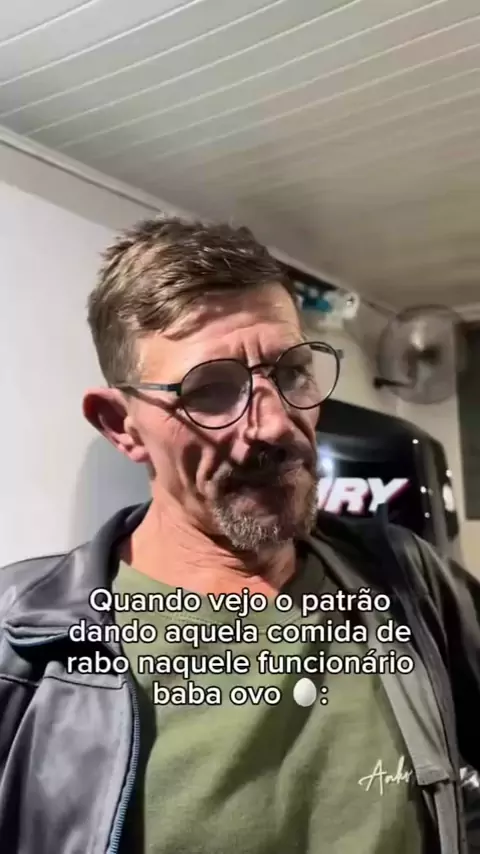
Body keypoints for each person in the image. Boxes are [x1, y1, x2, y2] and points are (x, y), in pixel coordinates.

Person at [0, 216, 479, 854]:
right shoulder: (23, 644)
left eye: (293, 371)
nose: (276, 425)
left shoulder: (407, 579)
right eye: (212, 391)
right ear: (121, 426)